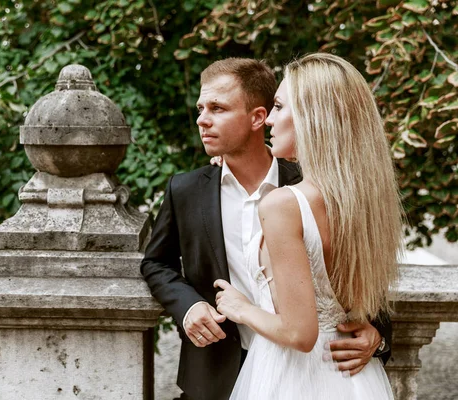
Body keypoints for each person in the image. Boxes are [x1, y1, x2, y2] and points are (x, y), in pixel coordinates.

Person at [140, 57, 392, 400]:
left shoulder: (312, 191)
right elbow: (156, 262)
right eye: (201, 108)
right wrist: (189, 307)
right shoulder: (186, 190)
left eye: (217, 107)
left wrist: (378, 335)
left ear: (258, 117)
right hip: (218, 370)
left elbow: (357, 274)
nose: (201, 120)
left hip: (308, 369)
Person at [213, 53, 402, 399]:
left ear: (313, 118)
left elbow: (300, 334)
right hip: (355, 379)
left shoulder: (284, 204)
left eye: (280, 107)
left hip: (294, 378)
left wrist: (242, 309)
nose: (269, 119)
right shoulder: (364, 203)